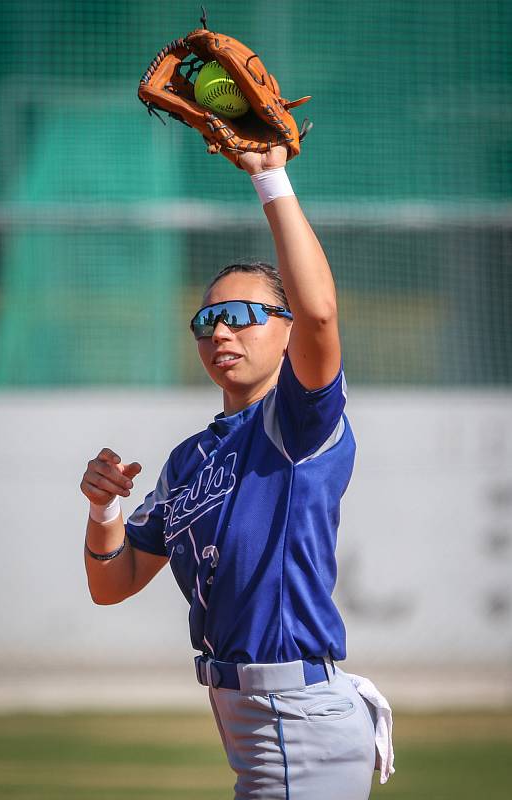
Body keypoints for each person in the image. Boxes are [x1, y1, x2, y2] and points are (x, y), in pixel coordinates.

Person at [80, 145, 393, 799]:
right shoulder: (189, 460)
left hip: (297, 723)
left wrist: (268, 177)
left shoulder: (294, 425)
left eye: (245, 315)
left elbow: (320, 313)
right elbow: (112, 583)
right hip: (252, 720)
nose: (222, 330)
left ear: (285, 333)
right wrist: (103, 510)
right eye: (207, 319)